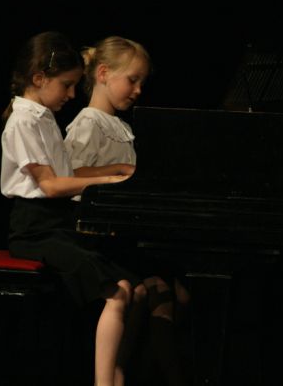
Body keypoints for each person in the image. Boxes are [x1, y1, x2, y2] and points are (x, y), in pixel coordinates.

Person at [0, 31, 146, 386]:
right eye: (66, 85)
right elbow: (50, 185)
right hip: (34, 229)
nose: (70, 94)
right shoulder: (22, 120)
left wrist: (117, 169)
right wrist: (109, 181)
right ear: (39, 78)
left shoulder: (43, 116)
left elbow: (69, 173)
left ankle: (116, 375)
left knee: (135, 288)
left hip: (58, 223)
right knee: (117, 292)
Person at [64, 35, 191, 385]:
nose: (138, 90)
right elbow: (71, 174)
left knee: (171, 294)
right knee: (156, 292)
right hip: (94, 235)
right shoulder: (88, 122)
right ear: (103, 73)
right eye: (132, 80)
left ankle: (134, 372)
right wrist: (119, 172)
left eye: (142, 82)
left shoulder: (123, 127)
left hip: (122, 233)